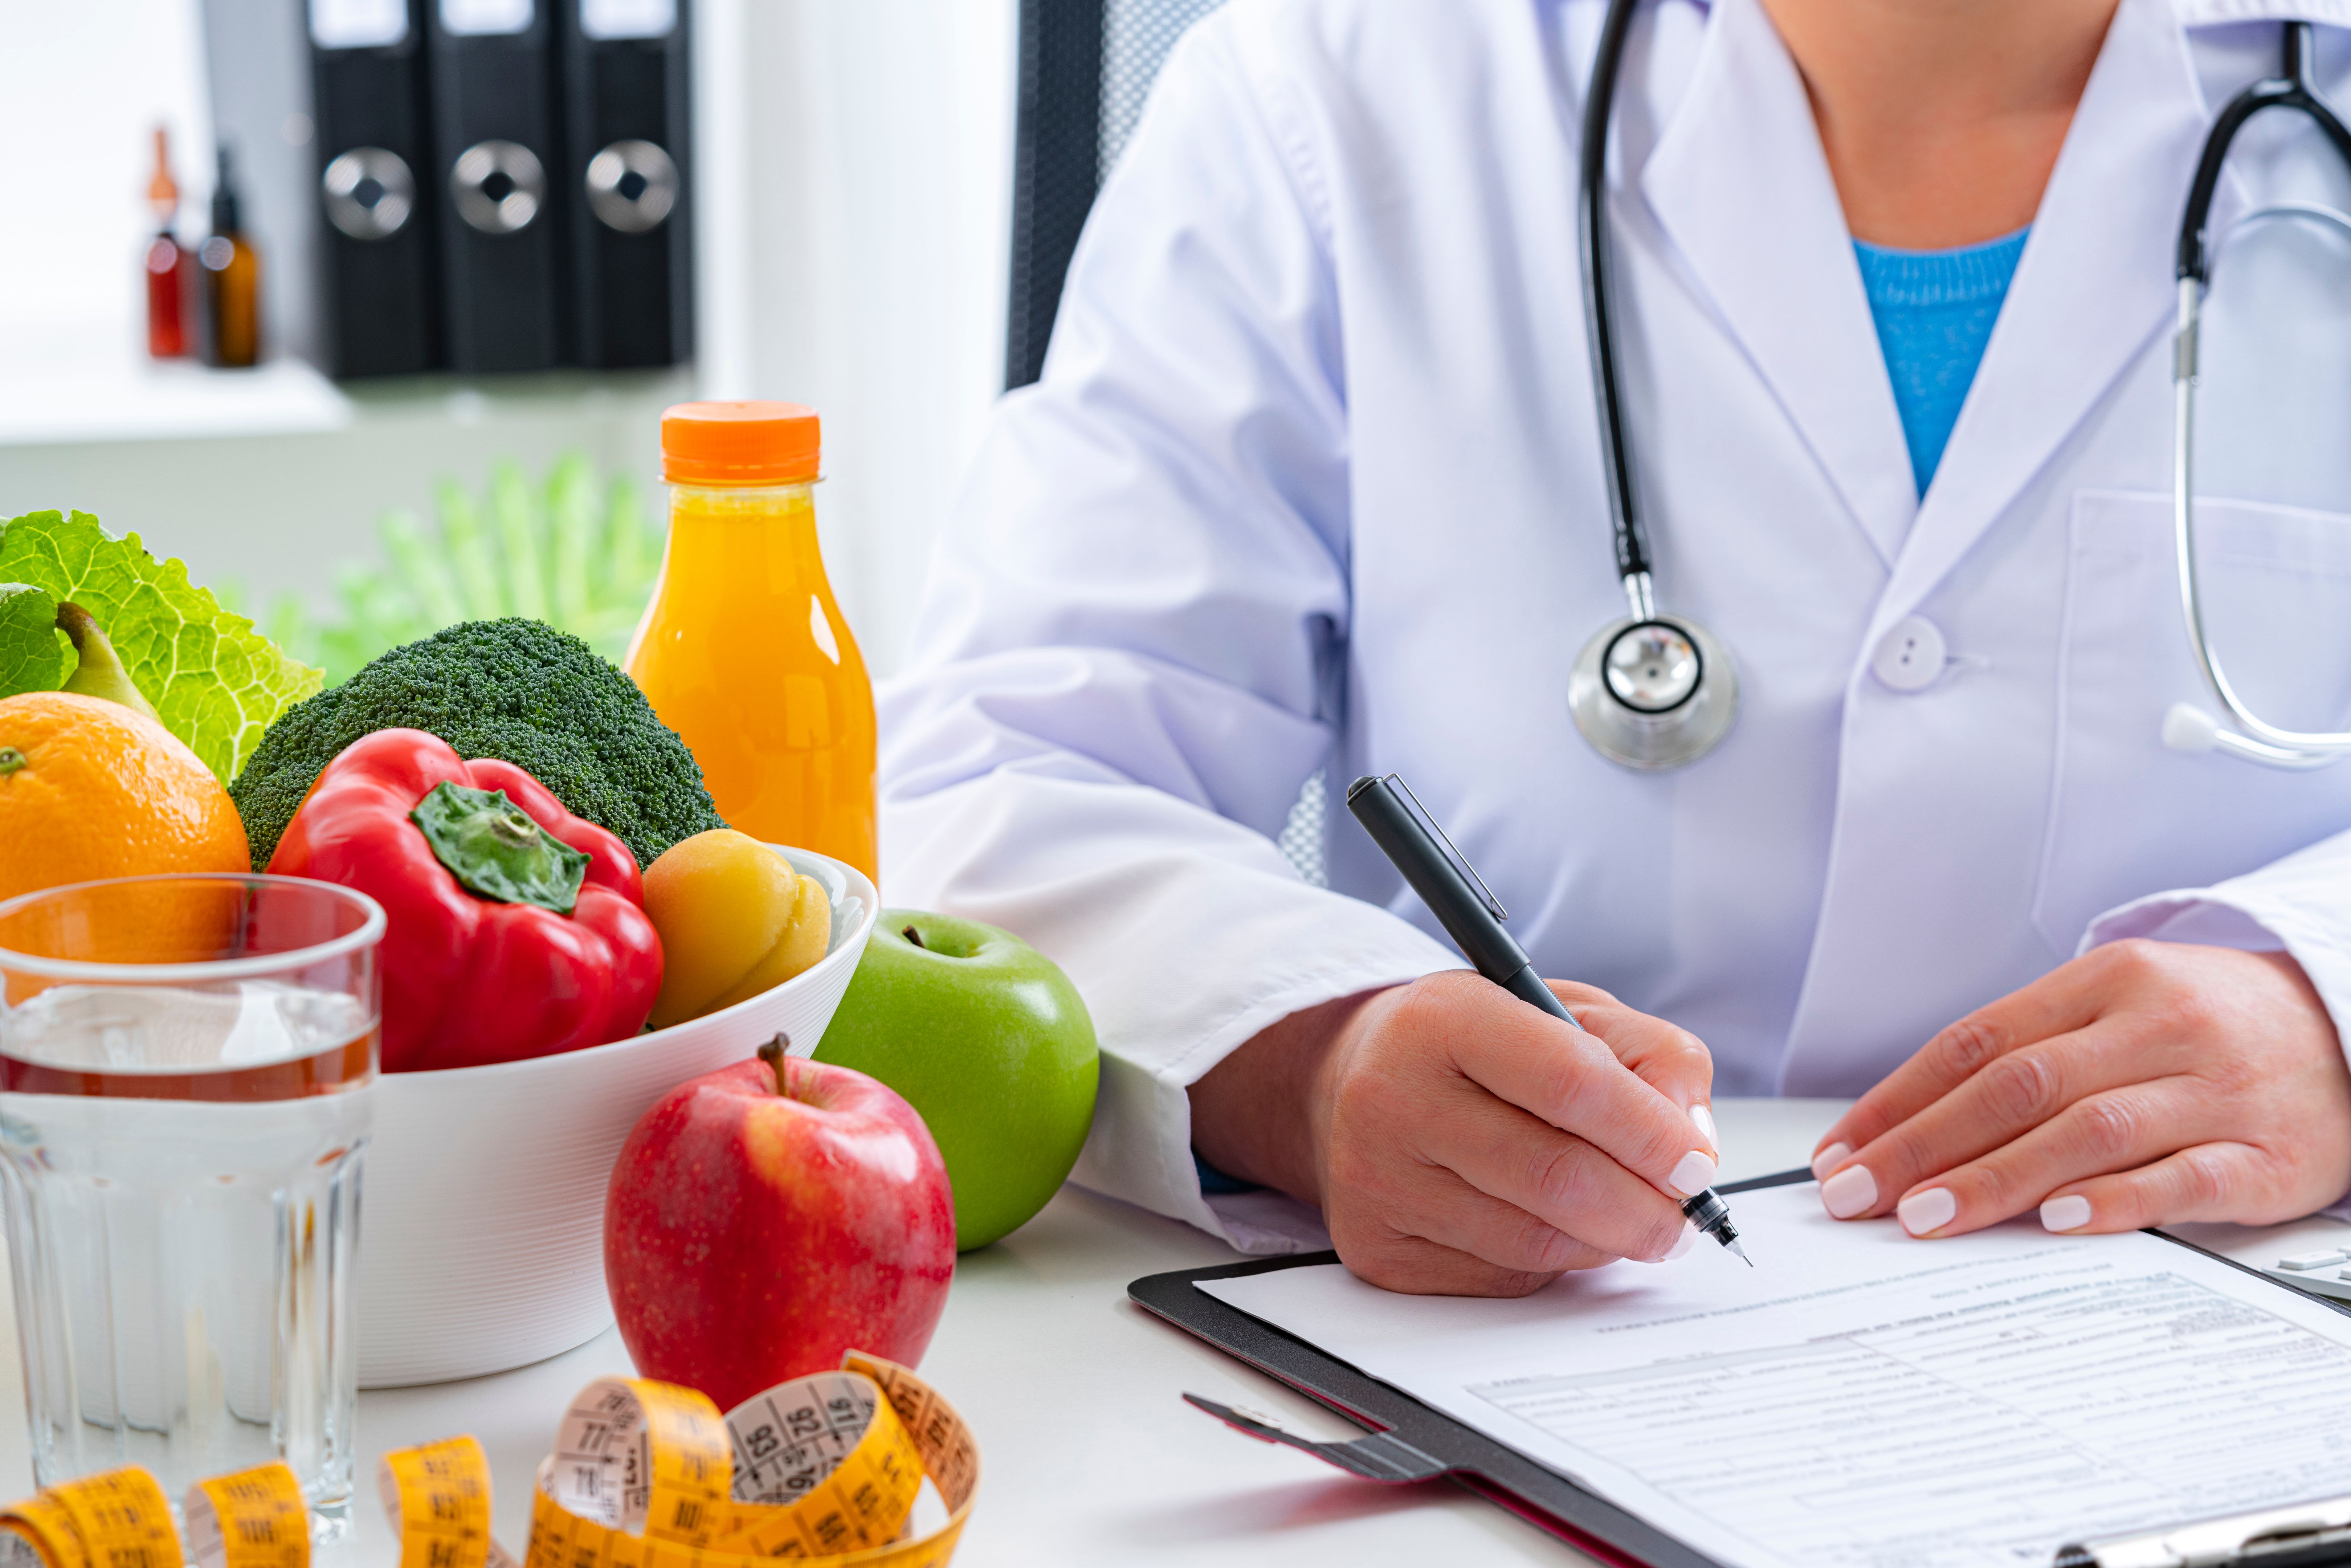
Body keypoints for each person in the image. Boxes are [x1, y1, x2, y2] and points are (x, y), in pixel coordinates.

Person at [878, 0, 2351, 1295]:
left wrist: (2329, 1013)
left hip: (2240, 1343)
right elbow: (1008, 775)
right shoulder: (1335, 90)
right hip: (1559, 1345)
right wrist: (1317, 1058)